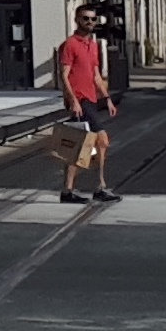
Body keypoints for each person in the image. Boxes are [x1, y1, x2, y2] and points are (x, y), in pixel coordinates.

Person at [53, 13, 118, 204]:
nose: (90, 22)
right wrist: (72, 100)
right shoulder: (70, 44)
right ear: (77, 20)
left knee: (81, 144)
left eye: (93, 19)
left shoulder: (92, 45)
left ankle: (68, 191)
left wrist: (107, 98)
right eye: (85, 18)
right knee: (100, 141)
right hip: (80, 100)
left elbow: (96, 75)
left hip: (90, 99)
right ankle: (100, 187)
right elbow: (64, 75)